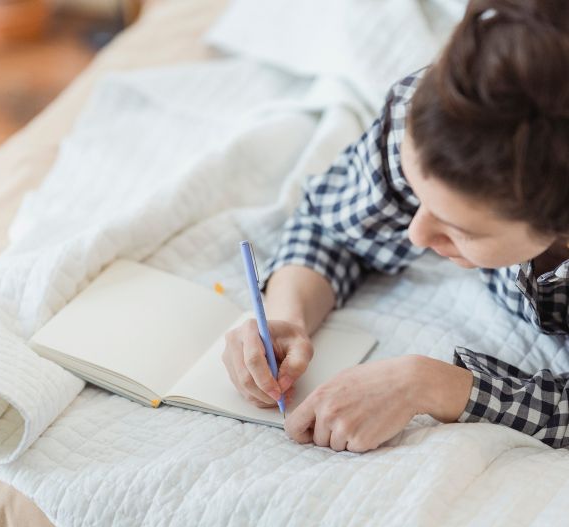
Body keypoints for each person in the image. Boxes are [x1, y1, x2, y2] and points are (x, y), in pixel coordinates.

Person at [222, 0, 569, 453]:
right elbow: (334, 225)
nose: (416, 235)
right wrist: (287, 312)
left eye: (460, 230)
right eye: (415, 193)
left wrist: (431, 385)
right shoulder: (432, 116)